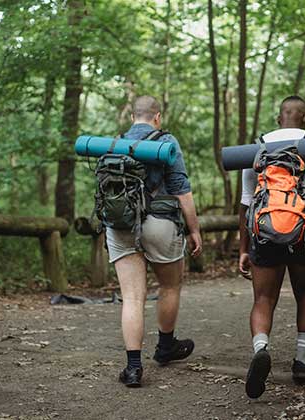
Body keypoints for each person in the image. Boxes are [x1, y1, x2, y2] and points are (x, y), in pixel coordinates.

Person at [238, 95, 305, 398]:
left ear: (278, 119)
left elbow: (247, 202)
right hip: (303, 233)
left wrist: (243, 248)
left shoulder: (257, 147)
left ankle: (261, 348)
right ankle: (301, 361)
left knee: (263, 298)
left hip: (263, 232)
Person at [106, 95, 202, 388]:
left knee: (132, 297)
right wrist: (194, 229)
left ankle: (133, 368)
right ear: (157, 117)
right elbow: (181, 189)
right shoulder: (166, 141)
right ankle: (165, 347)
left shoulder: (115, 143)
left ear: (132, 116)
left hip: (120, 223)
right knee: (170, 285)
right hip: (160, 223)